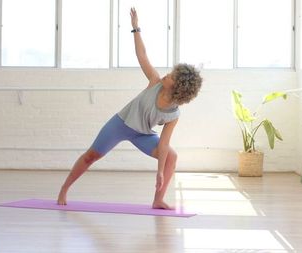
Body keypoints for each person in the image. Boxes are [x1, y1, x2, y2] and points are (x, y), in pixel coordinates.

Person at [57, 7, 203, 210]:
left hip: (142, 134)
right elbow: (142, 55)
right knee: (91, 156)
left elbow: (163, 145)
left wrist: (160, 171)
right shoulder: (155, 82)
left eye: (171, 76)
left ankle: (158, 199)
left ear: (178, 87)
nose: (166, 75)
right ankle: (64, 189)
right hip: (120, 124)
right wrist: (136, 29)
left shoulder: (173, 113)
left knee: (172, 156)